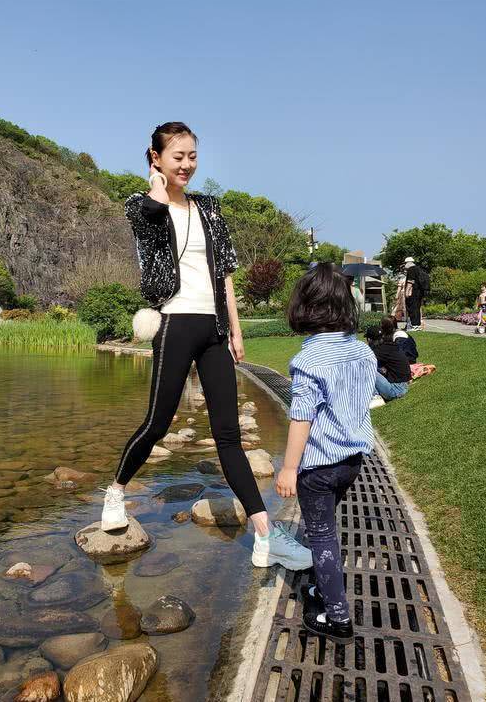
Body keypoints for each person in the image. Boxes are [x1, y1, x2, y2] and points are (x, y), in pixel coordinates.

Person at [101, 122, 312, 571]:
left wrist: (236, 330)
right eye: (177, 156)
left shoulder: (210, 209)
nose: (187, 165)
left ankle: (264, 536)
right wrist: (158, 185)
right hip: (174, 324)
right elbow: (152, 218)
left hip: (213, 328)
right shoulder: (140, 204)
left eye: (193, 156)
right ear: (155, 157)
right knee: (157, 423)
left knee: (229, 436)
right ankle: (116, 492)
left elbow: (226, 275)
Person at [275, 263, 377, 644]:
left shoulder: (308, 361)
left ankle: (337, 618)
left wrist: (288, 468)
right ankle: (323, 589)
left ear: (305, 307)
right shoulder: (362, 352)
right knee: (327, 529)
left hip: (318, 467)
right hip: (353, 462)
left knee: (321, 538)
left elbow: (301, 417)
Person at [366, 318, 411, 400]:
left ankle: (375, 396)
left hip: (395, 390)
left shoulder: (378, 351)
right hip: (404, 384)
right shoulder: (388, 346)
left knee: (366, 368)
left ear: (369, 339)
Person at [404, 257, 429, 331]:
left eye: (405, 263)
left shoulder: (411, 269)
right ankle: (417, 325)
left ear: (408, 263)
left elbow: (410, 282)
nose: (405, 265)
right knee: (417, 308)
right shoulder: (419, 269)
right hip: (420, 292)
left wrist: (406, 292)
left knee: (412, 308)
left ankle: (414, 325)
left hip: (413, 292)